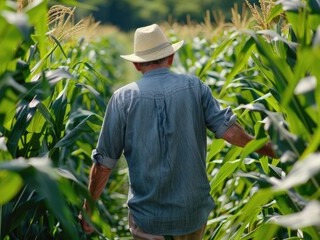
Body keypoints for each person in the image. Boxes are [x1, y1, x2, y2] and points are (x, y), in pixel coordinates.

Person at [79, 23, 277, 239]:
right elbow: (230, 133)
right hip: (191, 215)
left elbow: (104, 164)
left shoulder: (123, 98)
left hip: (148, 219)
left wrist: (89, 209)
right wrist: (277, 150)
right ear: (171, 57)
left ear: (136, 64)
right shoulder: (195, 87)